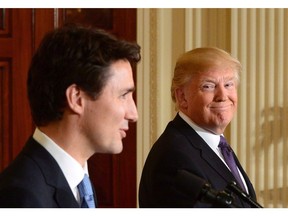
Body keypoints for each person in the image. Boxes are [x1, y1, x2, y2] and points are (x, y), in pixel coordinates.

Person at [0, 23, 141, 207]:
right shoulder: (22, 197)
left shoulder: (79, 181)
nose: (133, 114)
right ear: (76, 99)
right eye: (123, 95)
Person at [138, 47, 257, 208]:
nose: (222, 96)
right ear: (182, 97)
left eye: (228, 84)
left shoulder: (216, 145)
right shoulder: (175, 157)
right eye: (208, 86)